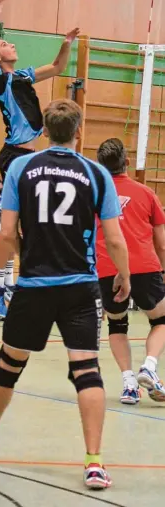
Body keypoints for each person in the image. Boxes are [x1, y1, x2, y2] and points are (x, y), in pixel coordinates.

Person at [0, 99, 131, 490]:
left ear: (46, 131)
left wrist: (7, 267)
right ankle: (94, 463)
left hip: (34, 286)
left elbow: (5, 235)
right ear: (78, 131)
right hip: (80, 287)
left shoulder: (20, 167)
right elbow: (115, 239)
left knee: (8, 365)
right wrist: (124, 277)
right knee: (87, 370)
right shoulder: (96, 174)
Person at [0, 0, 80, 315]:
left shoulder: (23, 76)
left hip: (31, 157)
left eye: (8, 43)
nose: (11, 46)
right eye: (5, 45)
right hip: (14, 157)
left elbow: (58, 66)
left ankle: (8, 280)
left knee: (25, 223)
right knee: (13, 222)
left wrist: (66, 42)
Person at [96, 138, 165, 404]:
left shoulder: (95, 196)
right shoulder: (146, 194)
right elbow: (160, 242)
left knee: (117, 324)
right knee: (160, 321)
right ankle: (149, 365)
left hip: (107, 267)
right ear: (126, 161)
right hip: (144, 266)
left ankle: (128, 384)